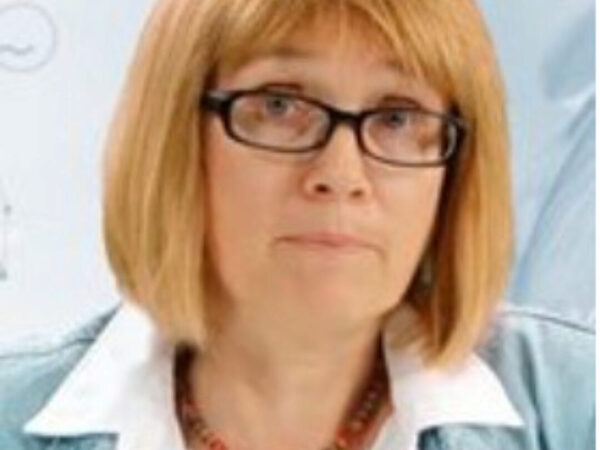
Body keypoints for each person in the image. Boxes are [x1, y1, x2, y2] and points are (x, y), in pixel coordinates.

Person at [0, 0, 594, 449]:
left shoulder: (576, 406)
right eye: (280, 105)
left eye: (397, 116)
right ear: (177, 138)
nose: (341, 174)